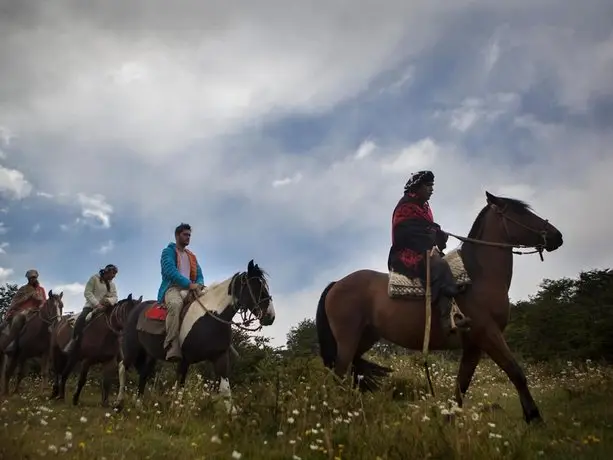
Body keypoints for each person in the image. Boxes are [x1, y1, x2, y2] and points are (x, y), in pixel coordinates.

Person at [387, 170, 467, 335]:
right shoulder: (405, 206)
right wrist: (431, 234)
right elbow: (405, 233)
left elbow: (426, 227)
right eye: (428, 186)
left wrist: (437, 232)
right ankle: (447, 319)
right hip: (406, 253)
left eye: (432, 186)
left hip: (425, 250)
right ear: (418, 187)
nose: (432, 189)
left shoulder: (424, 206)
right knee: (439, 266)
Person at [158, 223, 204, 361]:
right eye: (185, 234)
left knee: (210, 301)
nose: (188, 237)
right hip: (173, 288)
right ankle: (172, 344)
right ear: (177, 235)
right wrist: (189, 284)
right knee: (176, 304)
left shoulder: (192, 256)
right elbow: (170, 271)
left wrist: (199, 285)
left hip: (191, 288)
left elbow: (200, 274)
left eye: (189, 235)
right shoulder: (168, 252)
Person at [63, 264, 119, 354]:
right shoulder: (94, 278)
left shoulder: (112, 285)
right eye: (113, 273)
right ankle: (73, 341)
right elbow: (87, 293)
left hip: (106, 307)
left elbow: (115, 297)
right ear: (107, 271)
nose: (114, 276)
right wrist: (97, 304)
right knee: (81, 319)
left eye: (115, 274)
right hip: (90, 306)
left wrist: (108, 300)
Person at [0, 269, 47, 351]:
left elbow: (44, 301)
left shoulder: (41, 289)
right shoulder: (23, 289)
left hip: (37, 311)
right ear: (28, 279)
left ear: (36, 278)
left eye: (34, 277)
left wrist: (40, 302)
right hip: (22, 310)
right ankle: (12, 341)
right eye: (31, 278)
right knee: (18, 319)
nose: (33, 279)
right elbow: (15, 300)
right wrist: (27, 297)